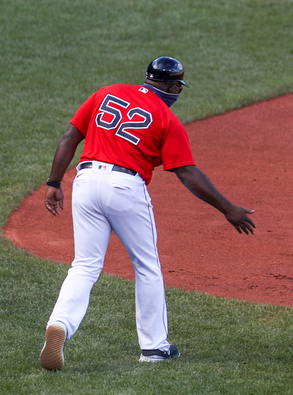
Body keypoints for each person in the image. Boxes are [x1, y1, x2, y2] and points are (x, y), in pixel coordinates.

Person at [39, 57, 256, 370]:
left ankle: (59, 324)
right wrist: (227, 208)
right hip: (125, 186)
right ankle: (154, 347)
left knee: (85, 264)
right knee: (146, 266)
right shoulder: (166, 118)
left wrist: (54, 182)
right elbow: (188, 174)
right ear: (173, 87)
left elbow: (69, 138)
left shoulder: (106, 93)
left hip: (84, 179)